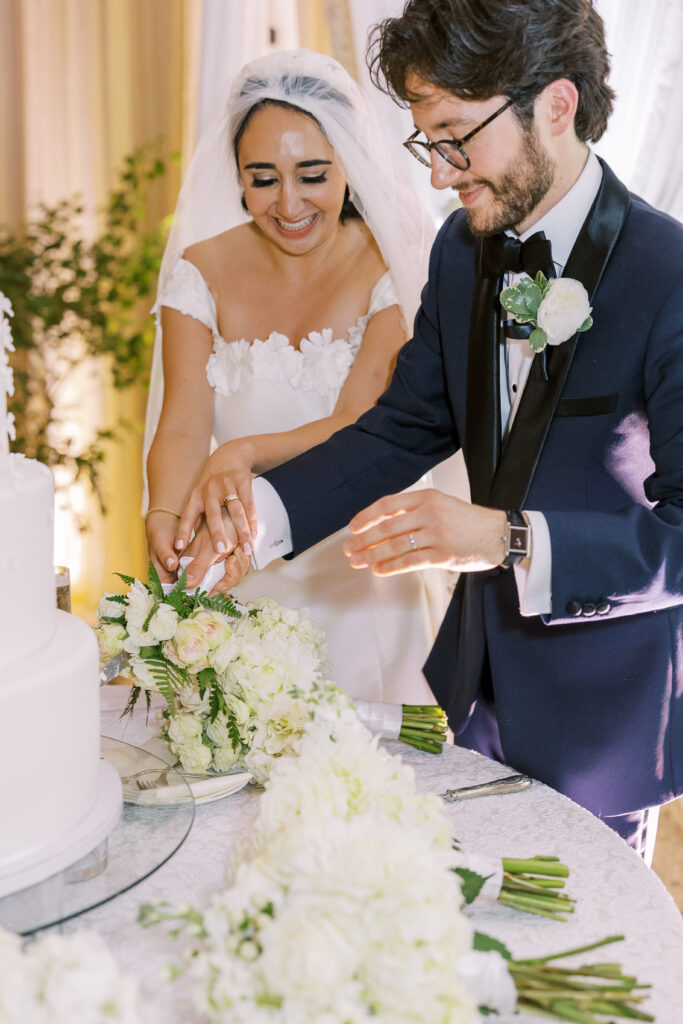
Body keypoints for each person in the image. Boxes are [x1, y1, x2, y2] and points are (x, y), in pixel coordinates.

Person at [195, 0, 683, 860]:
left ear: (556, 106)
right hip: (468, 691)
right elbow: (400, 429)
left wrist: (507, 538)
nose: (437, 174)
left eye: (456, 136)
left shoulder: (670, 273)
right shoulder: (462, 251)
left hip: (601, 717)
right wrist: (259, 521)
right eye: (429, 142)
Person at [143, 49, 439, 704]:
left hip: (360, 578)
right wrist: (164, 513)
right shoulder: (199, 270)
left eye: (312, 175)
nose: (289, 202)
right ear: (238, 178)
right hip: (238, 572)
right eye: (263, 178)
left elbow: (362, 425)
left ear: (347, 167)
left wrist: (240, 454)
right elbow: (184, 420)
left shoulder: (392, 265)